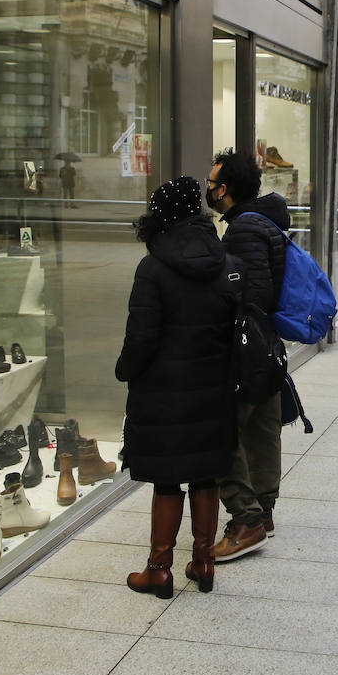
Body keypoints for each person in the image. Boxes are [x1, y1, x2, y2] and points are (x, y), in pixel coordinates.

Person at [116, 176, 235, 597]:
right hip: (213, 387)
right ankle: (204, 562)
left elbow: (141, 337)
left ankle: (158, 569)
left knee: (167, 478)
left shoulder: (153, 267)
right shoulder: (222, 259)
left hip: (164, 389)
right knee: (205, 472)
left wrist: (125, 370)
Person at [205, 149, 288, 561]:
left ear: (227, 189)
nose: (209, 190)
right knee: (262, 429)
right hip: (267, 346)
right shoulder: (266, 222)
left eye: (213, 183)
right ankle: (264, 512)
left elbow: (250, 294)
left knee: (223, 434)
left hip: (247, 347)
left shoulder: (243, 230)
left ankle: (247, 518)